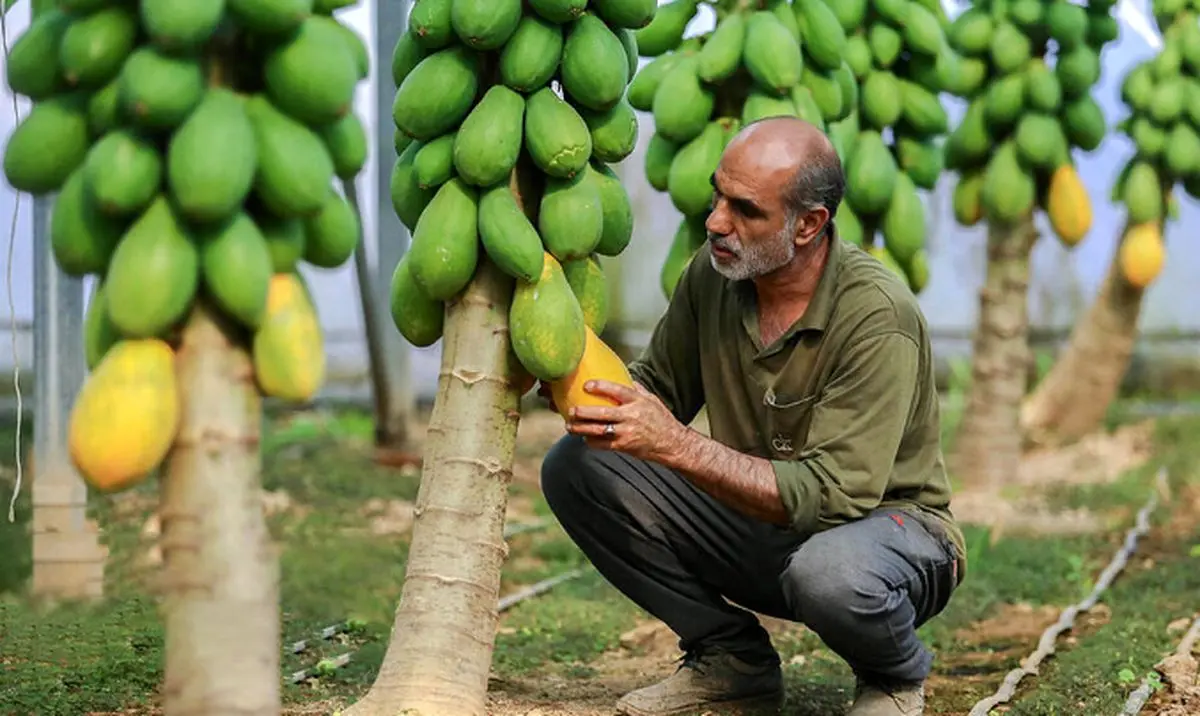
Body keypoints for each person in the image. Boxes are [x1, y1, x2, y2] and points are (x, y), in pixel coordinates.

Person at [536, 116, 965, 716]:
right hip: (766, 525)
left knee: (828, 573)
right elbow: (655, 390)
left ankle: (892, 675)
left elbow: (835, 494)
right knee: (579, 466)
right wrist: (557, 355)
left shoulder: (876, 315)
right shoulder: (712, 279)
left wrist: (677, 446)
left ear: (809, 225)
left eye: (745, 209)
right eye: (717, 194)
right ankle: (730, 659)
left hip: (889, 538)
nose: (715, 221)